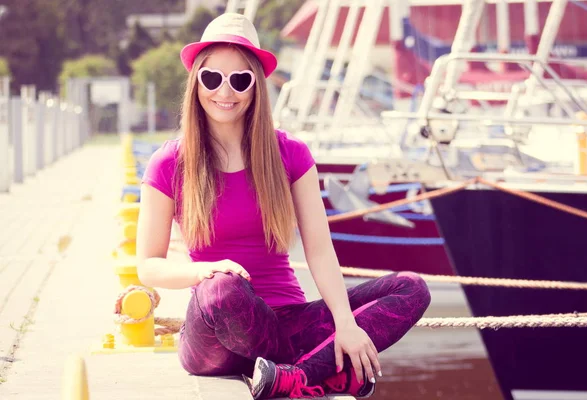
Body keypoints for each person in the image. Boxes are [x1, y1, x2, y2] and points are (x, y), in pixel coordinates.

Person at [136, 12, 431, 400]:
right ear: (196, 82)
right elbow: (149, 265)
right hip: (215, 331)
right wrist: (206, 270)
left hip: (288, 319)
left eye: (240, 79)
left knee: (412, 288)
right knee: (224, 290)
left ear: (256, 86)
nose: (225, 92)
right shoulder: (170, 162)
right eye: (212, 78)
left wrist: (345, 322)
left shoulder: (290, 154)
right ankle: (317, 371)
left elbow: (320, 249)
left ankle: (295, 376)